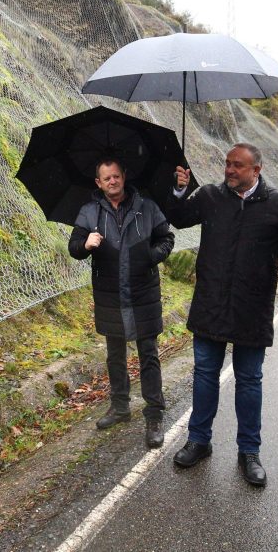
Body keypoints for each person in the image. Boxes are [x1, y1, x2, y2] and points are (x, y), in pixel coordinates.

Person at [164, 142, 278, 486]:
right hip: (210, 301)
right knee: (204, 375)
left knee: (249, 380)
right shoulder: (210, 196)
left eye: (237, 166)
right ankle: (199, 441)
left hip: (252, 306)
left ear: (256, 169)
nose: (229, 170)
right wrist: (181, 189)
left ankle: (249, 451)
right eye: (227, 164)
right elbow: (179, 218)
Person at [68, 157, 174, 449]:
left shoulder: (147, 207)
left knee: (148, 354)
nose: (112, 182)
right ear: (98, 183)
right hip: (109, 294)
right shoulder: (89, 212)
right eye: (106, 178)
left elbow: (167, 238)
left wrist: (150, 257)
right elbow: (74, 247)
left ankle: (153, 414)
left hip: (143, 292)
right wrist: (85, 244)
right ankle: (120, 406)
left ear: (124, 177)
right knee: (115, 354)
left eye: (116, 176)